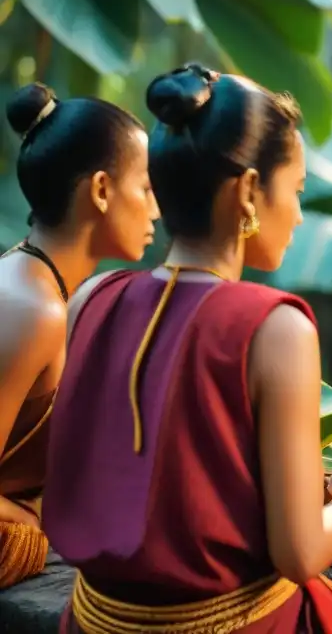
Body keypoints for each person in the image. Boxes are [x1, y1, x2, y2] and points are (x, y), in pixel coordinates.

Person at [42, 64, 332, 633]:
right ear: (250, 191)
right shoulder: (276, 327)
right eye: (296, 191)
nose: (300, 214)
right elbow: (299, 555)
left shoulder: (91, 299)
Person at [0, 83, 158, 589]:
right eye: (147, 188)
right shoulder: (35, 311)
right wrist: (34, 524)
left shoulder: (33, 281)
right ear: (101, 191)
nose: (156, 209)